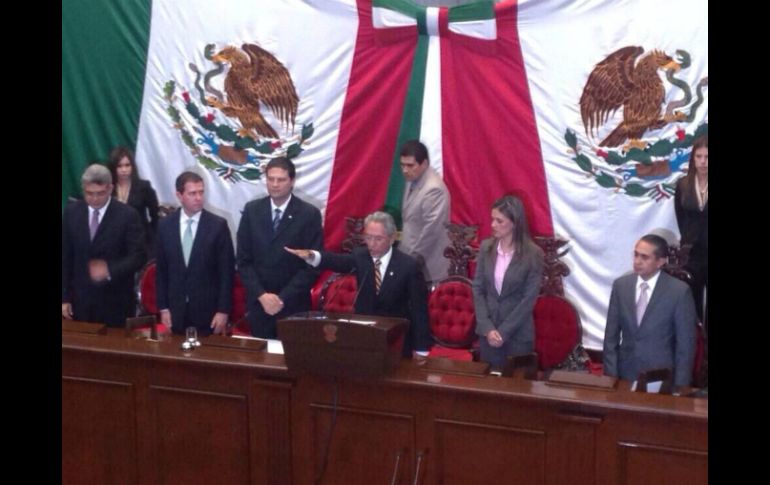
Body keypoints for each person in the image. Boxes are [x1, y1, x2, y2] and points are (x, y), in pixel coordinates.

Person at [285, 211, 432, 357]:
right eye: (368, 238)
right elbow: (336, 261)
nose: (372, 244)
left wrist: (421, 349)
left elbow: (419, 310)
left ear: (392, 238)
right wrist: (312, 255)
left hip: (396, 340)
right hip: (364, 338)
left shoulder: (408, 266)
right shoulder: (361, 256)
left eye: (378, 239)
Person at [237, 157, 323, 338]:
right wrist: (262, 296)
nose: (275, 184)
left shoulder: (309, 214)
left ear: (292, 181)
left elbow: (312, 266)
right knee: (259, 361)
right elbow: (243, 262)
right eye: (270, 179)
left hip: (294, 306)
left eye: (281, 180)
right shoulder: (252, 210)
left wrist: (281, 299)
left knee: (292, 361)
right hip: (259, 305)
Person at [602, 234, 697, 389]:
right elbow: (610, 338)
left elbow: (685, 346)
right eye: (636, 255)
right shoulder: (621, 286)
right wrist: (611, 377)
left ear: (660, 261)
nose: (637, 261)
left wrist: (681, 387)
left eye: (645, 257)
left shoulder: (679, 291)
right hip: (624, 374)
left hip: (660, 377)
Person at [62, 164, 146, 326]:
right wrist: (64, 297)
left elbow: (139, 256)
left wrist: (109, 270)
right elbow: (65, 256)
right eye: (89, 193)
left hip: (115, 303)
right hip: (79, 303)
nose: (94, 198)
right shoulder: (72, 212)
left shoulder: (127, 215)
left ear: (110, 189)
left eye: (99, 193)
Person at [155, 171, 234, 336]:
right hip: (176, 312)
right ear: (179, 195)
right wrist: (163, 308)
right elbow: (162, 271)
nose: (198, 197)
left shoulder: (217, 226)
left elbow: (226, 274)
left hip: (208, 314)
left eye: (201, 192)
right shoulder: (165, 226)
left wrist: (223, 311)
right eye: (192, 193)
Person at [472, 195, 544, 370]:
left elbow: (528, 300)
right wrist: (487, 328)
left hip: (517, 336)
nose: (493, 225)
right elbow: (478, 289)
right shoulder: (486, 248)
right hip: (488, 333)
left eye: (499, 221)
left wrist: (503, 332)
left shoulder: (533, 254)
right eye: (492, 219)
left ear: (514, 223)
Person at [398, 140, 451, 284]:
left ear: (424, 163)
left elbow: (432, 231)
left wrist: (411, 260)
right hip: (410, 257)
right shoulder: (413, 179)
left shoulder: (434, 189)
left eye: (410, 165)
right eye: (402, 165)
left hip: (426, 264)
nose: (405, 170)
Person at [674, 135, 708, 329]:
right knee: (691, 302)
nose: (703, 162)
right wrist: (687, 240)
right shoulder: (683, 185)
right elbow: (680, 216)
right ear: (693, 159)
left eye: (707, 157)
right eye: (699, 156)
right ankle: (696, 350)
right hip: (691, 253)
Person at [107, 146, 160, 257]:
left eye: (127, 165)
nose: (124, 170)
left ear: (132, 166)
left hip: (140, 242)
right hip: (114, 243)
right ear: (113, 168)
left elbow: (155, 215)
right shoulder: (107, 188)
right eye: (119, 166)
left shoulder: (143, 187)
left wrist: (150, 237)